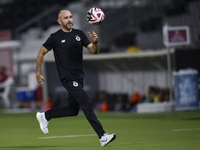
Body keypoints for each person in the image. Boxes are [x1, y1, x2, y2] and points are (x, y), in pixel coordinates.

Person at [36, 10, 116, 147]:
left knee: (72, 110)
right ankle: (102, 136)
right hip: (67, 77)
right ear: (59, 21)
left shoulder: (79, 34)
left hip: (79, 77)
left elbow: (94, 51)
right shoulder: (55, 37)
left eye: (71, 17)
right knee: (86, 101)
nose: (69, 20)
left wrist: (95, 42)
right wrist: (38, 73)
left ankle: (45, 116)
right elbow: (41, 52)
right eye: (65, 18)